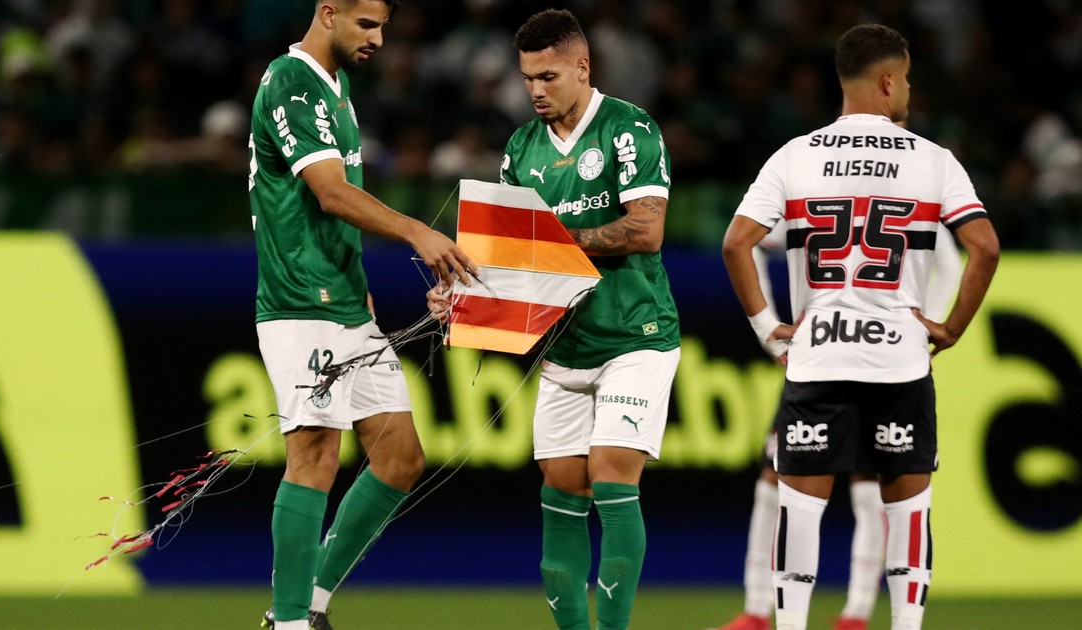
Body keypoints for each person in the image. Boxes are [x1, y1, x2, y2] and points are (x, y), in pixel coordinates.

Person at [721, 23, 999, 630]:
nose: (910, 91)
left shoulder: (794, 155)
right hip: (899, 362)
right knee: (906, 511)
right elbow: (985, 247)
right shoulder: (934, 160)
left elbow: (737, 243)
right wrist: (951, 327)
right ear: (889, 81)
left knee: (799, 510)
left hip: (819, 357)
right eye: (908, 80)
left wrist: (768, 327)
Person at [428, 9, 679, 630]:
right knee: (561, 491)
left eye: (548, 76)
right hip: (564, 348)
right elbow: (514, 262)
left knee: (611, 479)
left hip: (636, 336)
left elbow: (645, 231)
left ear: (582, 67)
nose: (535, 90)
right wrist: (462, 296)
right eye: (528, 78)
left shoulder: (628, 128)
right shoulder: (521, 148)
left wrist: (551, 243)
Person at [248, 2, 476, 629]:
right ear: (328, 13)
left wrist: (360, 284)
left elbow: (332, 207)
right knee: (315, 453)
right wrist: (416, 231)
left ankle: (310, 606)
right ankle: (289, 622)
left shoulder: (337, 85)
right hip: (300, 302)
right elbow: (329, 191)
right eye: (366, 25)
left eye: (383, 27)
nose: (378, 39)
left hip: (346, 302)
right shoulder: (292, 81)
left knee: (400, 458)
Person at [714, 223, 962, 630]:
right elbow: (958, 257)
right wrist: (924, 327)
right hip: (873, 359)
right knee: (805, 481)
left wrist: (767, 324)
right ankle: (783, 611)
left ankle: (838, 613)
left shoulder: (813, 191)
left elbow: (742, 242)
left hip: (833, 357)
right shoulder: (912, 194)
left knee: (837, 486)